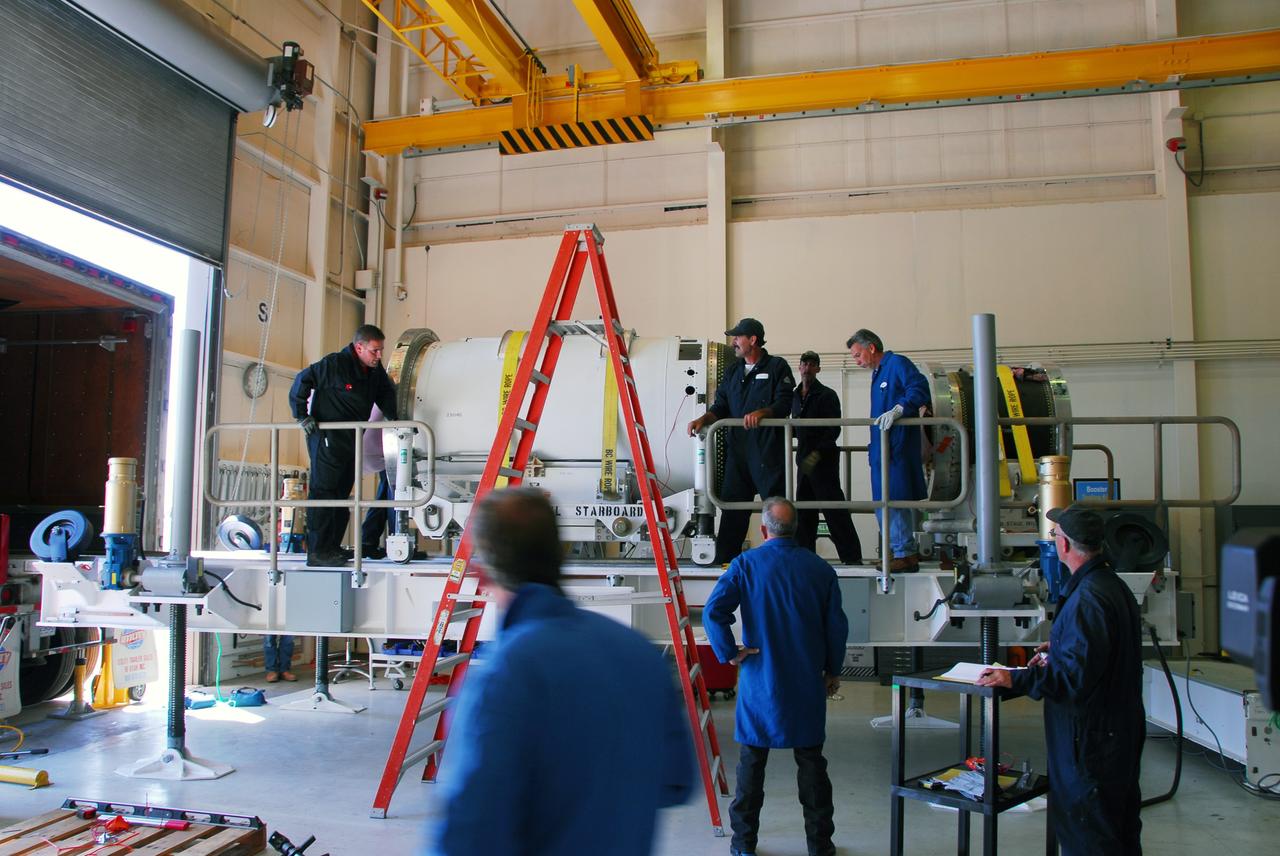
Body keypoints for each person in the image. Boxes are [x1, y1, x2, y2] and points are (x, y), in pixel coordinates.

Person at [424, 487, 694, 856]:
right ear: (558, 554)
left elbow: (465, 838)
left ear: (480, 573)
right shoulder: (640, 653)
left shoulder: (501, 678)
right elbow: (676, 782)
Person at [977, 505, 1143, 855]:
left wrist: (1015, 679)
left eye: (1054, 536)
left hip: (1090, 740)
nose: (1052, 541)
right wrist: (1062, 644)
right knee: (1118, 830)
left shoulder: (1088, 598)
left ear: (1065, 546)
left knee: (1090, 834)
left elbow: (1072, 679)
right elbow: (1104, 651)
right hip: (1115, 732)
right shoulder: (1110, 585)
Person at [703, 497, 848, 856]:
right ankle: (820, 846)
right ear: (795, 528)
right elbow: (836, 628)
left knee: (752, 764)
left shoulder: (745, 565)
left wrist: (729, 652)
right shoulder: (819, 569)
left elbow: (714, 611)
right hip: (806, 680)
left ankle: (743, 844)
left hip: (760, 683)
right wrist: (833, 671)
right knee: (812, 764)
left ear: (765, 529)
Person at [688, 318, 796, 564]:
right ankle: (726, 560)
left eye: (738, 337)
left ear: (753, 340)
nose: (734, 342)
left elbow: (784, 403)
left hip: (767, 451)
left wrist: (763, 413)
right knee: (733, 508)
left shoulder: (777, 367)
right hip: (738, 452)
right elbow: (722, 405)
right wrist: (703, 419)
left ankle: (785, 560)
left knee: (777, 509)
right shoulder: (734, 371)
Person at [290, 325, 398, 567]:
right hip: (328, 437)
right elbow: (303, 380)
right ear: (359, 347)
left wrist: (398, 419)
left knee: (341, 493)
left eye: (381, 350)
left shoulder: (373, 371)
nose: (379, 355)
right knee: (325, 492)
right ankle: (318, 552)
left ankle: (332, 547)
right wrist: (301, 415)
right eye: (374, 351)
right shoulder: (335, 364)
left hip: (351, 438)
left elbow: (384, 395)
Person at [846, 329, 929, 571]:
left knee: (893, 499)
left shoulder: (897, 364)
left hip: (896, 447)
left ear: (871, 347)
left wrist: (900, 409)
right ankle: (896, 551)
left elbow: (919, 387)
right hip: (882, 449)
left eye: (857, 354)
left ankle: (904, 553)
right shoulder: (879, 373)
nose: (856, 360)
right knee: (884, 502)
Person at [791, 350, 862, 564]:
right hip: (804, 461)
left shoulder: (827, 395)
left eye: (813, 364)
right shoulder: (794, 396)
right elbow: (794, 428)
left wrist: (815, 456)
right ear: (800, 366)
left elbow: (833, 431)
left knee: (834, 512)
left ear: (818, 369)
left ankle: (852, 559)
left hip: (823, 462)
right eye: (805, 363)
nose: (808, 367)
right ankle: (806, 559)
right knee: (804, 514)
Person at [360, 403, 390, 559]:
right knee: (392, 494)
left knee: (386, 493)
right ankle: (395, 538)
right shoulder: (383, 392)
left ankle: (368, 541)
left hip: (362, 445)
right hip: (384, 450)